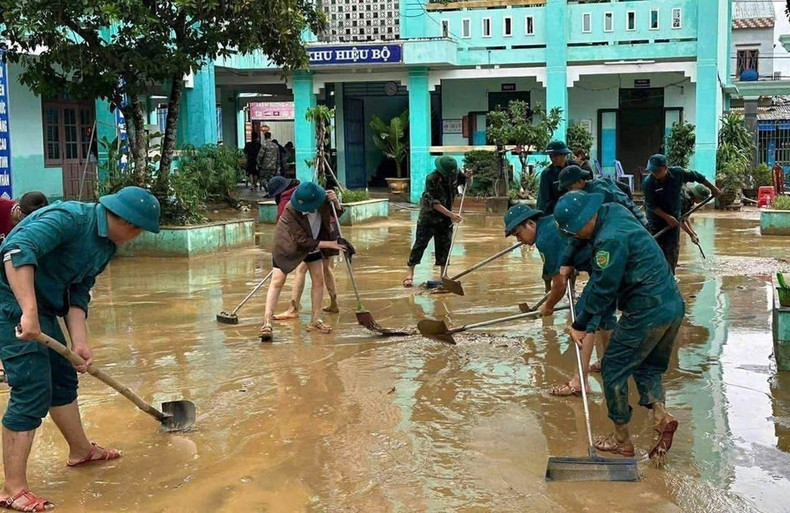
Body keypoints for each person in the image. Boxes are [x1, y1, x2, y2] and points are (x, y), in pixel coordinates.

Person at [0, 186, 160, 511]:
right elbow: (16, 250)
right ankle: (12, 489)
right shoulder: (69, 218)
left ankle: (81, 450)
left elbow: (78, 290)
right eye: (139, 231)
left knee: (62, 378)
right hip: (8, 300)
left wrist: (80, 341)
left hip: (41, 307)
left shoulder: (106, 246)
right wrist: (28, 311)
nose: (137, 237)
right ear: (128, 223)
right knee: (32, 387)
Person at [554, 190, 684, 465]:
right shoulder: (614, 211)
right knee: (647, 367)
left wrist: (580, 324)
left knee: (613, 369)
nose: (577, 237)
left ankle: (621, 440)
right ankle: (661, 416)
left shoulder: (608, 241)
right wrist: (570, 261)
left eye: (576, 231)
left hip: (646, 311)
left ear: (585, 221)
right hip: (672, 304)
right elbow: (597, 264)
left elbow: (603, 288)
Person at [503, 204, 615, 397]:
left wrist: (549, 306)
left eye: (518, 234)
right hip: (612, 260)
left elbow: (559, 284)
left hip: (605, 265)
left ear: (530, 224)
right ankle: (610, 362)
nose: (519, 240)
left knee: (583, 317)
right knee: (604, 315)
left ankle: (579, 382)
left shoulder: (545, 238)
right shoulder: (549, 224)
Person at [259, 182, 346, 342]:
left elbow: (335, 215)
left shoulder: (322, 199)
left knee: (318, 279)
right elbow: (301, 241)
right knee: (277, 281)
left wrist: (336, 202)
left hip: (313, 243)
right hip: (288, 245)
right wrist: (330, 244)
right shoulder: (290, 209)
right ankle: (267, 323)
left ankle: (315, 321)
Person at [268, 176, 341, 319]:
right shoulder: (302, 192)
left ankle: (293, 309)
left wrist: (336, 202)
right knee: (325, 269)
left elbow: (291, 232)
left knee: (304, 269)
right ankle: (333, 303)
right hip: (322, 233)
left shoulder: (291, 200)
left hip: (321, 234)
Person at [642, 154, 720, 274]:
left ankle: (670, 276)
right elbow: (651, 206)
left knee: (672, 250)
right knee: (656, 250)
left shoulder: (678, 173)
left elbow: (698, 177)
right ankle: (655, 276)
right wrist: (667, 218)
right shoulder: (648, 183)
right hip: (656, 220)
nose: (654, 173)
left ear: (665, 168)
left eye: (657, 171)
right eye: (652, 171)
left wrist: (713, 188)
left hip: (674, 219)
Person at [403, 156, 470, 288]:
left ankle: (444, 275)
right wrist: (452, 215)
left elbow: (465, 182)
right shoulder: (431, 178)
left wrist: (469, 177)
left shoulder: (454, 173)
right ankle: (410, 273)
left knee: (445, 246)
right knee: (420, 244)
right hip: (428, 217)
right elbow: (434, 203)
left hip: (445, 219)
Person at [558, 165, 648, 229]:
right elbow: (625, 188)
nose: (570, 191)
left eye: (570, 188)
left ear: (580, 181)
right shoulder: (600, 182)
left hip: (630, 224)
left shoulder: (599, 194)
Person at [536, 140, 579, 215]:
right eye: (551, 156)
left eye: (556, 156)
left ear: (564, 155)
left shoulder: (574, 167)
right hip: (557, 212)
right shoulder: (547, 174)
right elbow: (543, 199)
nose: (553, 159)